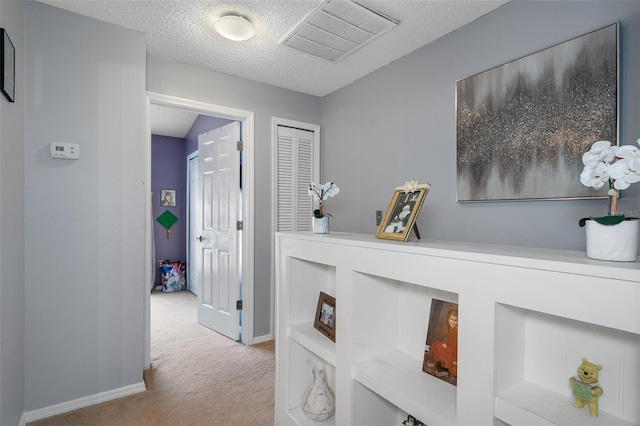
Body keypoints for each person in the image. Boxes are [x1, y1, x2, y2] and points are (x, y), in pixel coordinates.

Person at [425, 309, 458, 377]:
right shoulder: (452, 329)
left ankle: (443, 367)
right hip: (449, 349)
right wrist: (445, 343)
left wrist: (455, 360)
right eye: (451, 319)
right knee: (437, 344)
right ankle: (439, 364)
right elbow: (448, 340)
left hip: (453, 353)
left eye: (455, 320)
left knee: (437, 346)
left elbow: (457, 347)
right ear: (448, 318)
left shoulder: (456, 331)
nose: (452, 322)